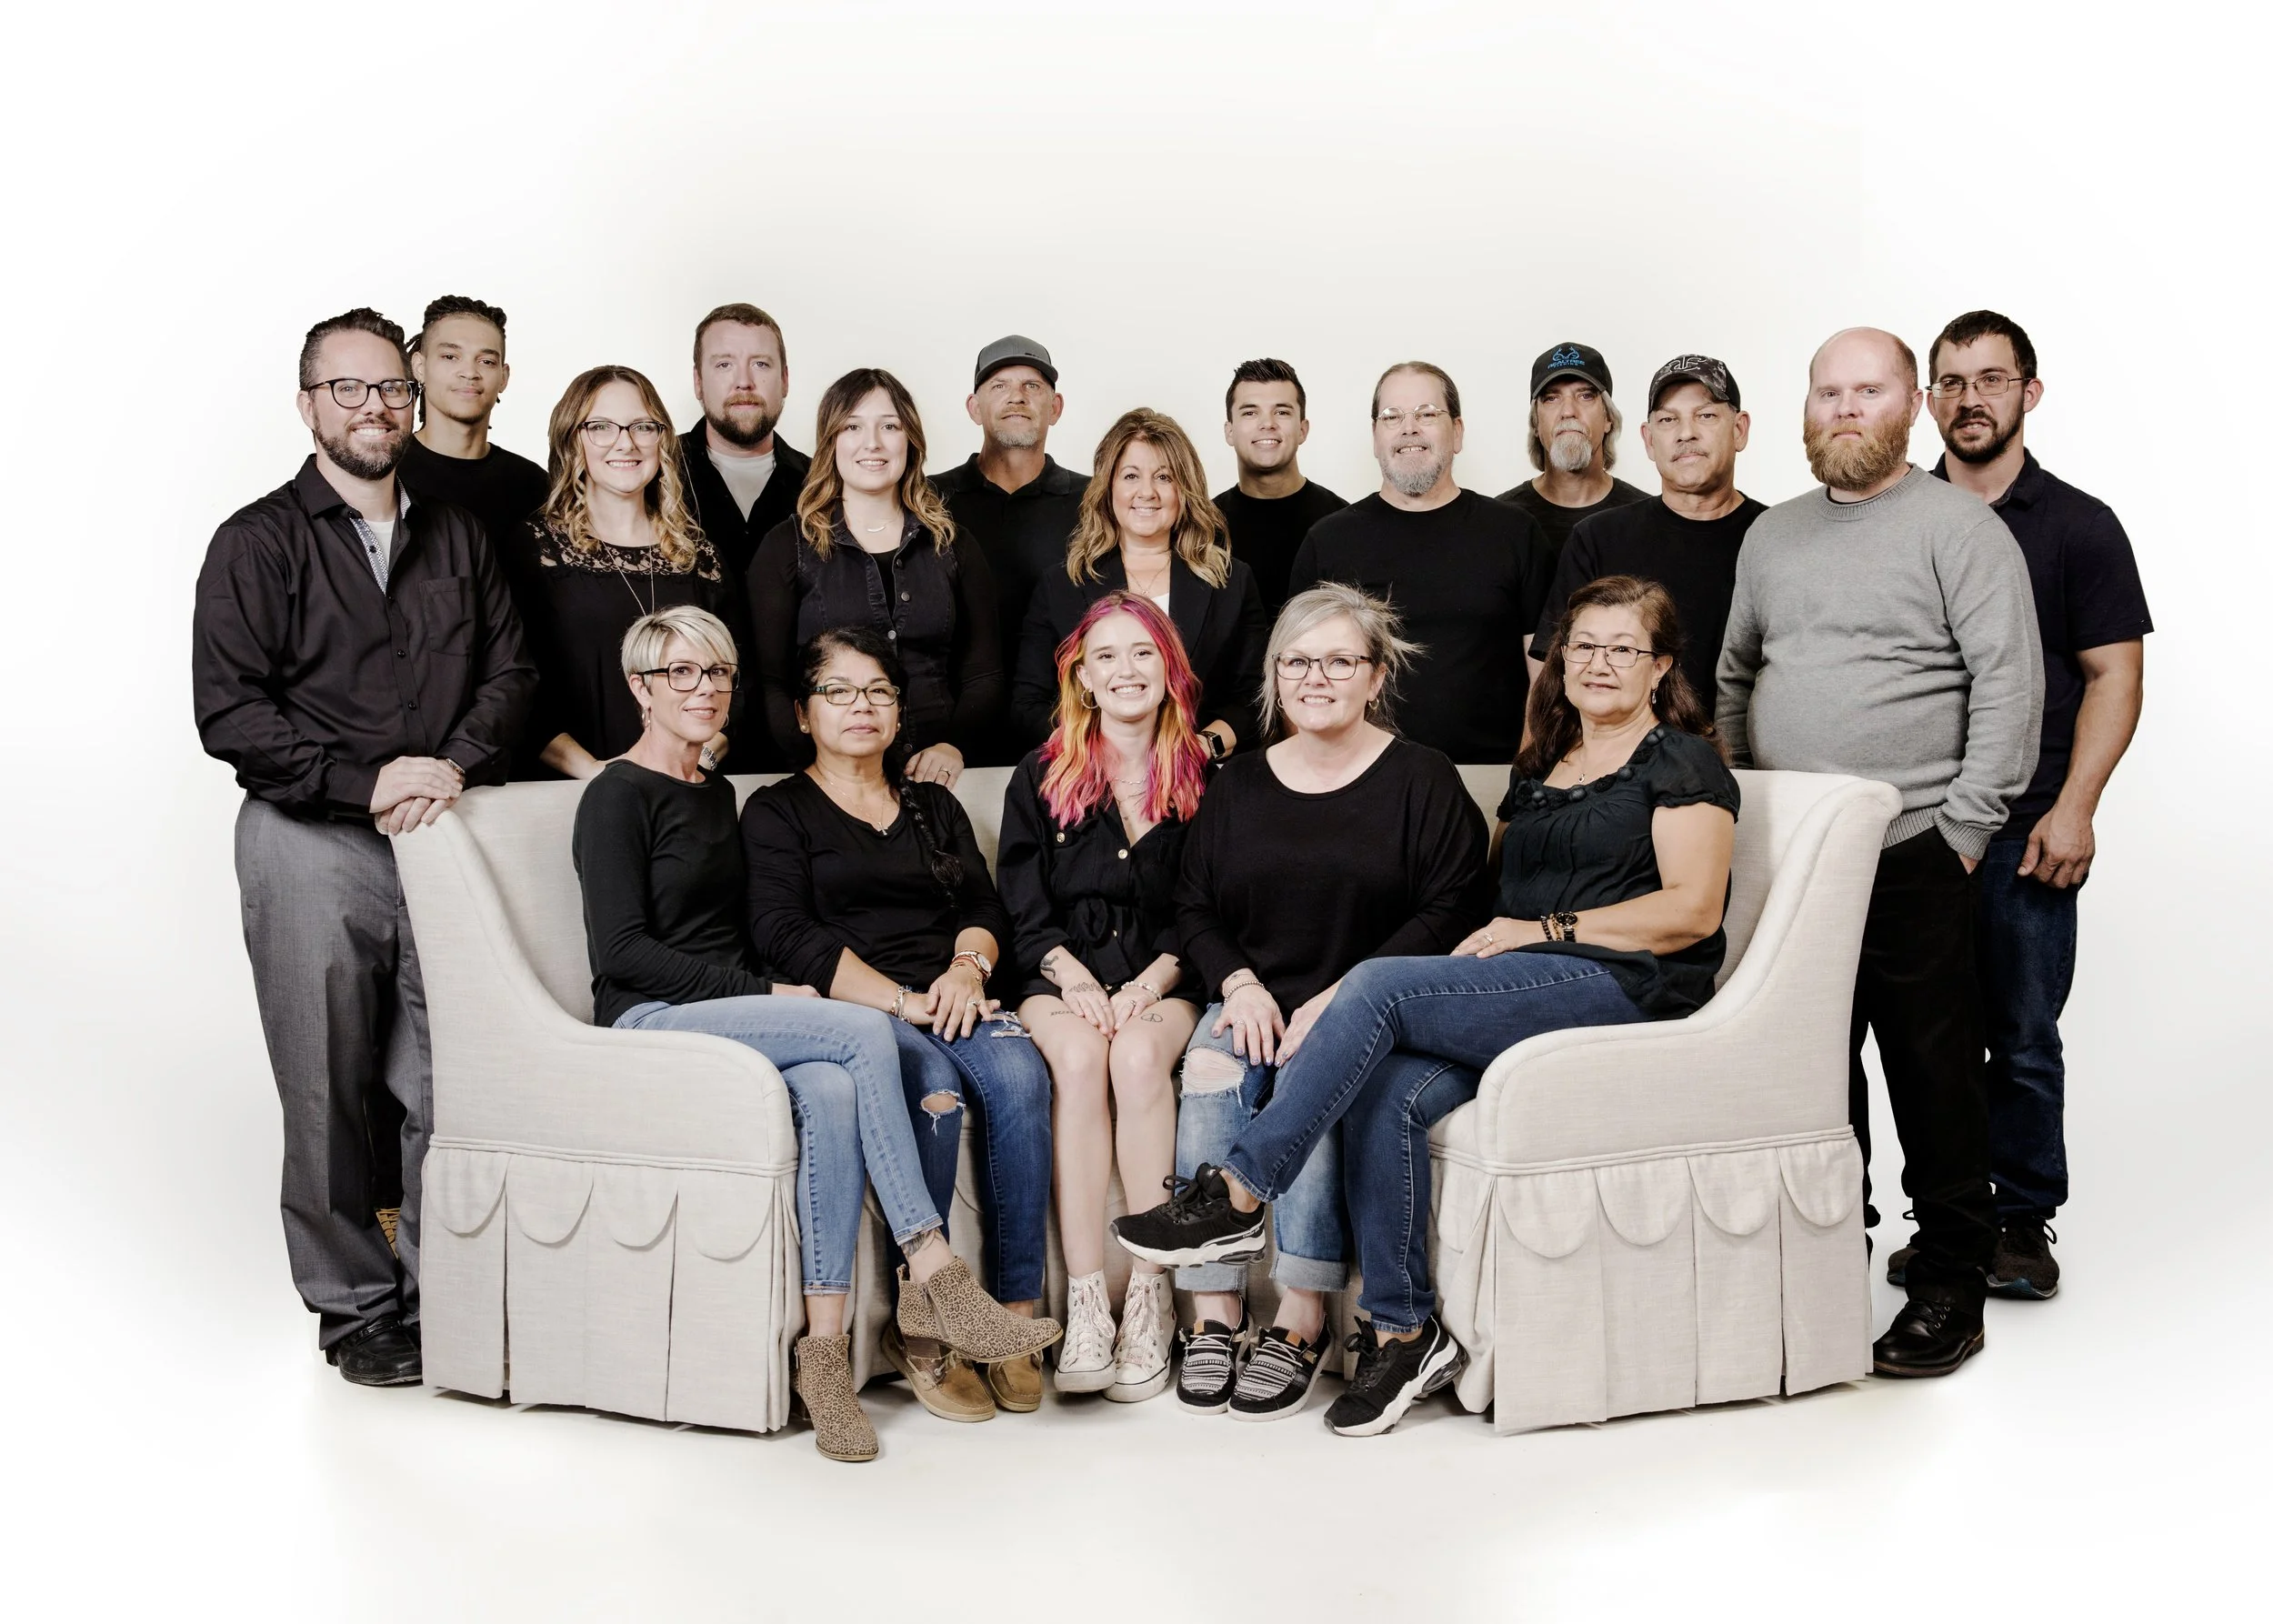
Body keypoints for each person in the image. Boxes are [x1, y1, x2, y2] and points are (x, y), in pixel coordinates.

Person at [1117, 576, 1737, 1436]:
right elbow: (1479, 901)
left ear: (1662, 667)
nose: (1597, 663)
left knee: (1371, 987)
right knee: (1385, 1090)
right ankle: (1406, 1331)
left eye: (1622, 648)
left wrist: (1542, 929)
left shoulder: (1680, 760)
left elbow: (1692, 911)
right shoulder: (1545, 768)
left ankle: (1237, 1190)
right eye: (1582, 645)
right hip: (1524, 988)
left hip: (1624, 987)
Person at [572, 606, 1055, 1462]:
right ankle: (934, 1269)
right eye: (680, 674)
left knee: (833, 1088)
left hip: (738, 1009)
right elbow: (622, 954)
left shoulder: (715, 790)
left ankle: (824, 1358)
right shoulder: (615, 794)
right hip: (652, 1015)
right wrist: (769, 987)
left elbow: (747, 925)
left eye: (716, 673)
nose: (704, 689)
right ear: (641, 688)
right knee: (857, 1031)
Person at [192, 307, 534, 1387]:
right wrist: (366, 779)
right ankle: (356, 1306)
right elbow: (230, 711)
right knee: (330, 1084)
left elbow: (511, 676)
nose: (376, 407)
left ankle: (451, 1289)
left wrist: (448, 766)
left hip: (444, 833)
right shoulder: (257, 541)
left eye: (390, 388)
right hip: (308, 841)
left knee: (452, 1075)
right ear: (308, 405)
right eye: (349, 389)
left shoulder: (457, 535)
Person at [1717, 326, 2044, 1379]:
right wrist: (1740, 809)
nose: (1844, 409)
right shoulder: (1771, 537)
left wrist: (1960, 833)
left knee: (1931, 1072)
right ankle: (1820, 1260)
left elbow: (2008, 683)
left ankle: (1950, 1280)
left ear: (1909, 405)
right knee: (1807, 1071)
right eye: (1826, 392)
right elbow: (1733, 676)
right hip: (1788, 854)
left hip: (1911, 845)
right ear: (1804, 410)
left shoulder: (1958, 528)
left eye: (1867, 391)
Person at [1147, 584, 1487, 1422]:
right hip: (1254, 997)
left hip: (1366, 1007)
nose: (1316, 677)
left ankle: (1299, 1321)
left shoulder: (1423, 778)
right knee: (1215, 1070)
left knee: (1317, 1079)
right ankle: (1215, 1316)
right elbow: (1194, 904)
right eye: (1298, 661)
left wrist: (1341, 997)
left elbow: (1451, 911)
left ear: (1377, 676)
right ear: (1275, 676)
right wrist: (1239, 983)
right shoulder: (1241, 783)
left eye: (1340, 660)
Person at [742, 628, 1058, 1419]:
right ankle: (921, 1334)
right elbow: (785, 934)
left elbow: (987, 907)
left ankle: (1012, 1318)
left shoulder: (933, 803)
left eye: (879, 691)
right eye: (840, 692)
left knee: (1021, 1075)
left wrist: (965, 969)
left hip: (956, 993)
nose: (862, 706)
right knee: (933, 1086)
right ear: (804, 714)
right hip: (864, 1007)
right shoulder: (777, 810)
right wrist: (901, 1000)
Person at [1904, 309, 2152, 1299]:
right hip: (1918, 828)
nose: (1970, 399)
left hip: (2027, 828)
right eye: (1952, 382)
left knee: (2022, 1033)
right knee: (1927, 1041)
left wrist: (2076, 806)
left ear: (2028, 393)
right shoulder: (1898, 515)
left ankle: (2019, 1221)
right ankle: (1946, 1221)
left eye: (1991, 379)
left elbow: (2114, 673)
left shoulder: (2077, 526)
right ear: (1928, 400)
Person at [996, 593, 1211, 1400]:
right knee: (1084, 1058)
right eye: (1108, 656)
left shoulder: (1207, 779)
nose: (1126, 670)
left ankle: (1151, 1298)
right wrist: (1076, 978)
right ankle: (1088, 1301)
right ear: (1081, 676)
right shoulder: (1041, 773)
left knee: (1139, 1052)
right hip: (1059, 975)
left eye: (1144, 653)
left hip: (1168, 974)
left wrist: (1150, 982)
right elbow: (1021, 905)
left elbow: (1211, 909)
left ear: (1170, 670)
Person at [1287, 363, 1554, 764]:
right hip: (1360, 782)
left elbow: (1546, 674)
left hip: (1494, 776)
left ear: (1458, 433)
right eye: (1392, 417)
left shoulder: (1515, 533)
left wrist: (1525, 783)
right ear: (1375, 437)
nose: (1408, 428)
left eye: (1427, 414)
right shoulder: (1327, 542)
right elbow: (1295, 677)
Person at [748, 369, 1002, 788]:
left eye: (890, 426)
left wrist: (953, 746)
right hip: (827, 782)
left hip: (940, 778)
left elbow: (984, 674)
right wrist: (816, 768)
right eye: (852, 426)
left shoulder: (953, 543)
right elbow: (769, 682)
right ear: (831, 442)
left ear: (910, 441)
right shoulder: (785, 547)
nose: (873, 443)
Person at [516, 366, 740, 780]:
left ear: (662, 439)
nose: (626, 443)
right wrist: (598, 773)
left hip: (689, 787)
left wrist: (696, 763)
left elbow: (741, 685)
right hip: (575, 788)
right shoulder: (534, 552)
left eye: (642, 426)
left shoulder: (700, 557)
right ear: (572, 440)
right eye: (601, 426)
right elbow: (515, 688)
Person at [1015, 408, 1267, 758]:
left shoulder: (1231, 581)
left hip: (1202, 778)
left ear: (1184, 490)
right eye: (1131, 476)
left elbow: (1255, 695)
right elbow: (1029, 702)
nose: (1147, 492)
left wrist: (1201, 747)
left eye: (1164, 477)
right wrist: (1099, 752)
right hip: (1094, 777)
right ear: (1108, 488)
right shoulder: (1062, 584)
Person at [1527, 356, 1764, 704]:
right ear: (1649, 440)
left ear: (1739, 429)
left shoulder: (1774, 538)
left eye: (1706, 415)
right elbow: (1555, 675)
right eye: (1668, 420)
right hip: (1626, 756)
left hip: (1747, 755)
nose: (1686, 433)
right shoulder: (1598, 539)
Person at [930, 336, 1090, 767]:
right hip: (947, 737)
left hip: (1067, 734)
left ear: (1055, 408)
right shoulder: (929, 500)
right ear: (974, 407)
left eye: (1032, 386)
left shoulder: (1095, 501)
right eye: (999, 385)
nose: (1017, 397)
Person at [398, 296, 549, 583]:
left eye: (486, 361)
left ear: (503, 377)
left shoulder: (534, 486)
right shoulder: (387, 474)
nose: (469, 372)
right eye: (450, 356)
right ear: (419, 366)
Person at [679, 303, 810, 583]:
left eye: (760, 364)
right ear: (698, 381)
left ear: (785, 380)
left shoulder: (823, 483)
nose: (744, 382)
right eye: (724, 364)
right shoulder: (653, 473)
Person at [1213, 358, 1347, 615]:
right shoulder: (1202, 527)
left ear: (1302, 430)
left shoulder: (1342, 522)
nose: (1267, 424)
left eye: (1282, 412)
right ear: (1229, 431)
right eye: (1250, 412)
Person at [1497, 342, 1650, 564]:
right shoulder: (1502, 520)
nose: (1568, 411)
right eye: (1551, 398)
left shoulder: (1643, 519)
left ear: (1608, 418)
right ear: (1536, 424)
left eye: (1585, 396)